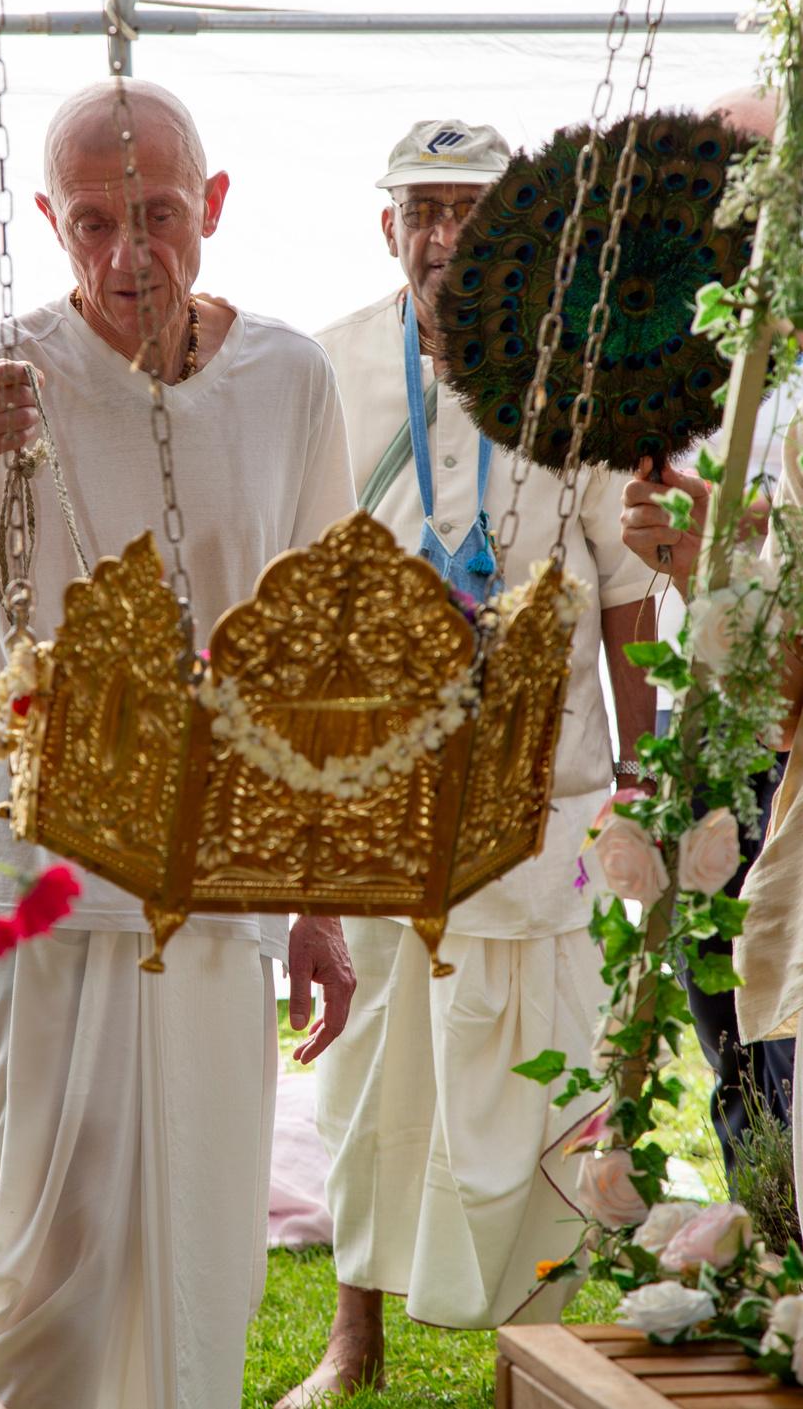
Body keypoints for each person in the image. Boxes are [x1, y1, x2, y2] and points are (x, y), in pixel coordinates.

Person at [0, 80, 357, 1409]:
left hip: (221, 871)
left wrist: (318, 904)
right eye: (91, 222)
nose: (127, 254)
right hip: (41, 870)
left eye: (157, 215)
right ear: (47, 219)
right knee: (54, 1247)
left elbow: (313, 657)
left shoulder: (289, 377)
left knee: (204, 1233)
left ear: (213, 204)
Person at [279, 119, 656, 1406]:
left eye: (474, 212)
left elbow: (627, 589)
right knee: (371, 1073)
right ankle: (355, 1337)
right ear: (385, 227)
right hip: (375, 788)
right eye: (424, 211)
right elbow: (299, 582)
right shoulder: (326, 366)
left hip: (545, 793)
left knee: (538, 1077)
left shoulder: (586, 372)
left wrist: (644, 781)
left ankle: (528, 1356)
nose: (447, 237)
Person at [619, 86, 796, 1179]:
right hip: (704, 713)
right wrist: (678, 547)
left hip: (791, 731)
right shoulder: (676, 354)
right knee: (721, 1011)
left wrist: (743, 538)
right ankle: (765, 1234)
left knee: (789, 1014)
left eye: (756, 183)